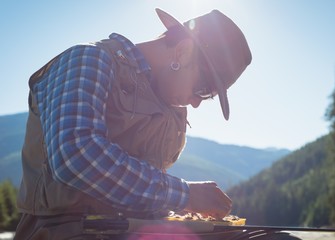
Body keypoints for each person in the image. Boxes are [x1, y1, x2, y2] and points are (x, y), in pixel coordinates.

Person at [14, 8, 252, 239]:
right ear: (182, 52)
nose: (196, 102)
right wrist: (186, 194)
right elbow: (76, 154)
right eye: (203, 89)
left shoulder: (169, 106)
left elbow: (146, 191)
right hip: (65, 231)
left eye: (207, 96)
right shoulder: (88, 59)